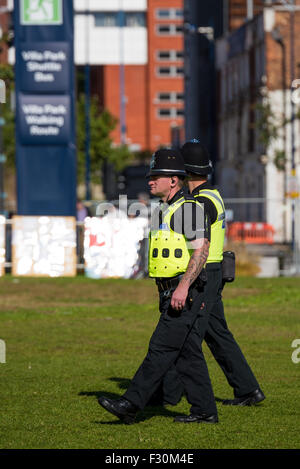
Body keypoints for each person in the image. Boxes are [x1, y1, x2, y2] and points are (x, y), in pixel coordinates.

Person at [98, 148, 218, 424]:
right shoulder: (167, 209)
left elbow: (201, 251)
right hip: (171, 290)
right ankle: (205, 411)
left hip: (183, 291)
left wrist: (183, 287)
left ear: (174, 180)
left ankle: (131, 403)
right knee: (188, 356)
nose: (150, 180)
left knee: (160, 348)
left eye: (157, 176)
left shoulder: (186, 209)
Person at [160, 140, 265, 407]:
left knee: (185, 334)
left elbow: (199, 244)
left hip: (204, 273)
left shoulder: (199, 202)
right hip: (213, 271)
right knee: (217, 334)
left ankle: (167, 395)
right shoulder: (212, 195)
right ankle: (248, 389)